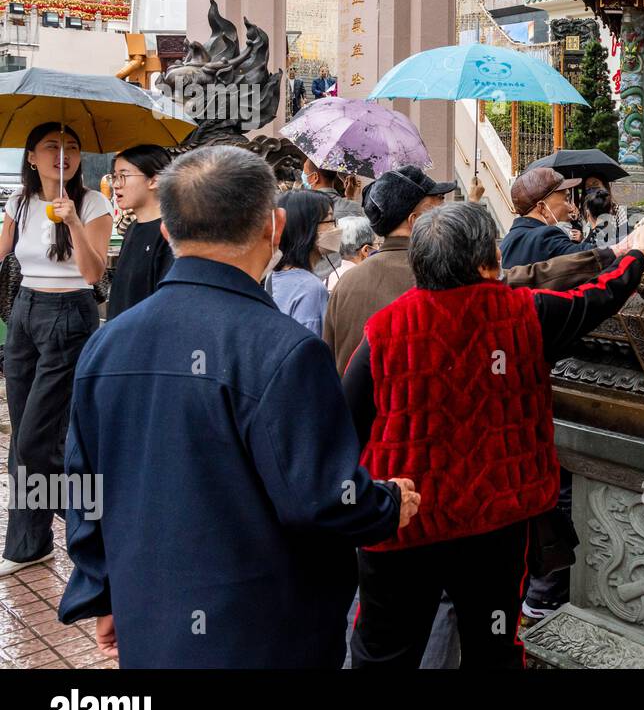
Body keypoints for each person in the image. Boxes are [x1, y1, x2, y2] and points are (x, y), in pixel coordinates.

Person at [57, 146, 419, 667]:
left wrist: (102, 588)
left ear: (167, 232)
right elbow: (319, 498)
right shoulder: (285, 350)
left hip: (150, 613)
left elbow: (83, 484)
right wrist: (387, 505)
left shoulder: (108, 345)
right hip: (262, 628)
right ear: (273, 226)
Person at [342, 201, 644, 668]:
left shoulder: (385, 329)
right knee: (493, 647)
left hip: (404, 521)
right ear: (487, 262)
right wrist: (636, 255)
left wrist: (363, 501)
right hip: (495, 523)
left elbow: (346, 424)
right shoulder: (525, 314)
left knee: (384, 650)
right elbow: (598, 298)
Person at [324, 165, 627, 376]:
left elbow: (337, 373)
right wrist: (614, 254)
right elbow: (531, 277)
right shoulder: (442, 276)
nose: (444, 213)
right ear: (415, 222)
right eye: (437, 206)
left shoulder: (346, 284)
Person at [0, 123, 112, 577]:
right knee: (25, 439)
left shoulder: (92, 203)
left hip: (69, 313)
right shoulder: (20, 202)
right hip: (24, 313)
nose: (62, 155)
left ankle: (94, 521)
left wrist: (71, 221)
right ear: (31, 157)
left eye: (71, 147)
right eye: (52, 147)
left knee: (33, 440)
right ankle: (29, 545)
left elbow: (94, 274)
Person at [106, 144, 174, 320]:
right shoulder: (131, 228)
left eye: (124, 176)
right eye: (114, 176)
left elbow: (165, 302)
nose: (116, 184)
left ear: (154, 180)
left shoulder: (169, 233)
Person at [268, 190, 332, 336]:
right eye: (330, 219)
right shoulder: (311, 289)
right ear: (306, 228)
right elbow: (309, 352)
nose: (336, 228)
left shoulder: (274, 275)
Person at [498, 167, 584, 269]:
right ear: (542, 207)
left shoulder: (507, 242)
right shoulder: (546, 237)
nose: (570, 208)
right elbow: (588, 257)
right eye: (566, 199)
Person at [328, 216, 375, 292]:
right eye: (376, 243)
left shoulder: (331, 277)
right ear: (366, 250)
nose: (378, 248)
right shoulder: (366, 279)